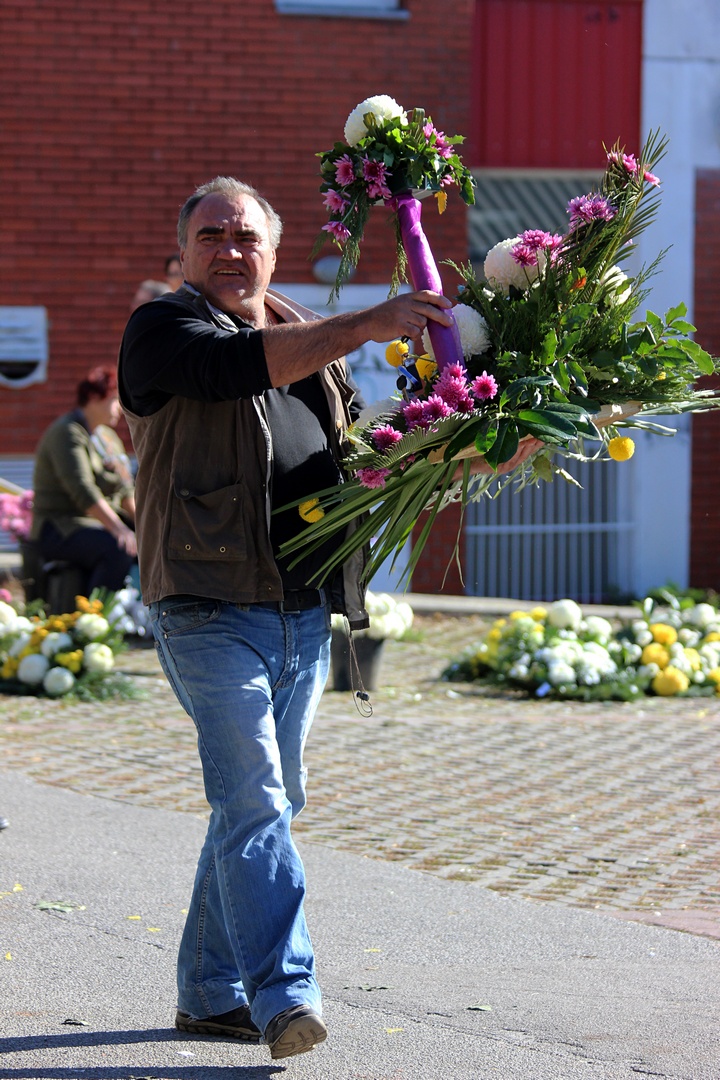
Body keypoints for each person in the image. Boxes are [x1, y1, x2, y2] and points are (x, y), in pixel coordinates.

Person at [117, 176, 538, 1061]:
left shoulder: (307, 335)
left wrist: (472, 447)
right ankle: (286, 994)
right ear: (184, 251)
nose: (231, 251)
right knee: (256, 798)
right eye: (212, 236)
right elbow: (239, 369)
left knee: (262, 802)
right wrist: (366, 322)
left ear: (272, 248)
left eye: (247, 237)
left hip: (301, 609)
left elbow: (357, 465)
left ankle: (207, 992)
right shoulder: (163, 329)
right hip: (204, 603)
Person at [30, 367, 137, 594]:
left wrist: (147, 531)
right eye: (115, 400)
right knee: (117, 548)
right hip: (61, 527)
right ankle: (96, 621)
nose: (120, 408)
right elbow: (82, 490)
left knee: (154, 547)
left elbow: (125, 490)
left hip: (97, 524)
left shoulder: (108, 437)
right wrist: (120, 531)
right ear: (93, 397)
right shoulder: (68, 432)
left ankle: (142, 618)